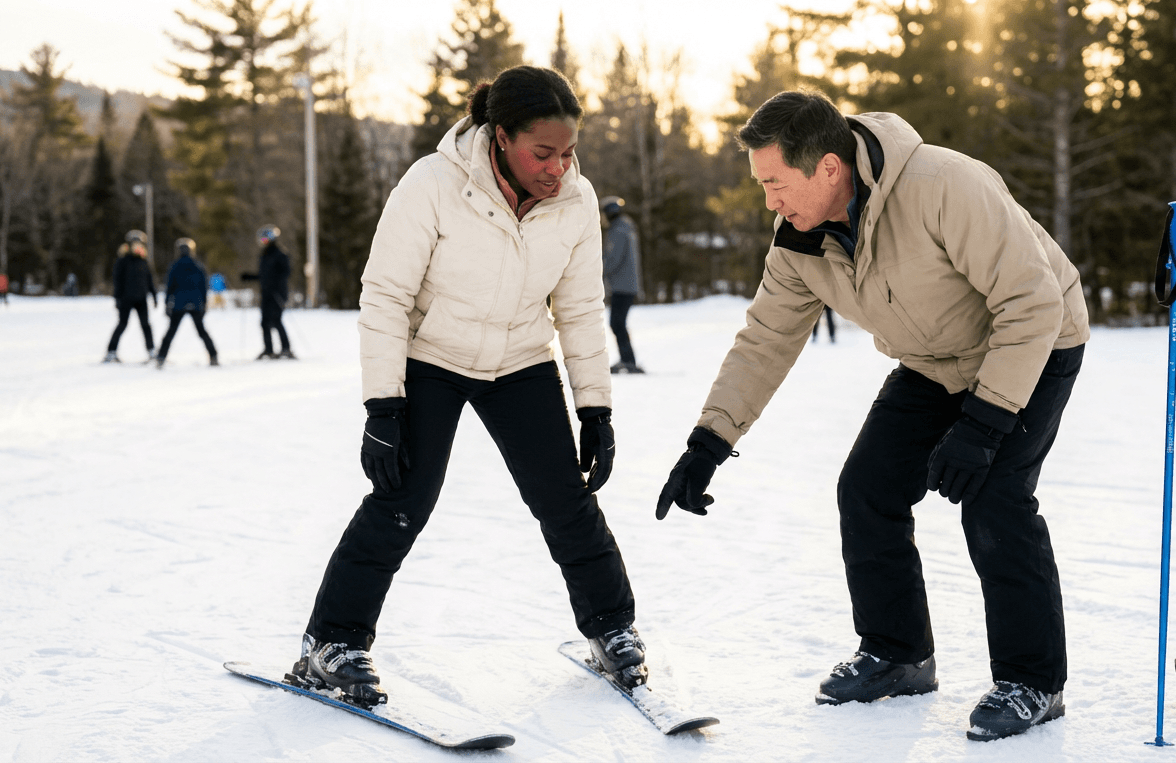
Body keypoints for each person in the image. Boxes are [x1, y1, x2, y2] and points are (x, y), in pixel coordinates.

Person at [655, 91, 1090, 742]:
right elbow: (766, 340)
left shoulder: (944, 185)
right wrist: (709, 441)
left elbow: (1031, 303)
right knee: (867, 488)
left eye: (775, 183)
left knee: (996, 496)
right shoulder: (799, 243)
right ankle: (898, 653)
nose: (769, 200)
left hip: (1034, 341)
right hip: (934, 361)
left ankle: (1033, 680)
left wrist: (982, 426)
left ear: (829, 168)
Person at [288, 65, 641, 708]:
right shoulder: (434, 183)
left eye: (568, 153)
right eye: (543, 153)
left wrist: (595, 408)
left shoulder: (576, 203)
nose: (558, 167)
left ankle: (612, 629)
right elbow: (386, 295)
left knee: (566, 501)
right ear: (501, 137)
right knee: (402, 500)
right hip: (432, 356)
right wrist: (383, 405)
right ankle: (329, 644)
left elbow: (582, 309)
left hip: (520, 359)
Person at [155, 238, 219, 368]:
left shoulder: (175, 266)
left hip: (179, 304)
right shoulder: (198, 266)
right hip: (196, 304)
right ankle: (213, 356)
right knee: (202, 331)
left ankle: (161, 357)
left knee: (171, 332)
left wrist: (168, 304)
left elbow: (169, 287)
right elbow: (204, 287)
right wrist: (204, 304)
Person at [599, 195, 644, 373]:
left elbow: (613, 260)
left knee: (617, 323)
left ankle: (628, 361)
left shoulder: (618, 231)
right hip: (626, 285)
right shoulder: (626, 227)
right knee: (618, 323)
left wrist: (596, 268)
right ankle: (628, 360)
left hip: (622, 285)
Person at [104, 231, 158, 363]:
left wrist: (154, 295)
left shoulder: (144, 262)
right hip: (126, 299)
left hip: (141, 299)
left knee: (145, 325)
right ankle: (111, 352)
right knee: (122, 324)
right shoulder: (122, 261)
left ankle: (151, 351)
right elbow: (117, 281)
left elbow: (149, 280)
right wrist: (117, 298)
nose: (136, 246)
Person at [242, 225, 294, 359]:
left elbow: (285, 273)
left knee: (276, 320)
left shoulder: (280, 254)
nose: (262, 241)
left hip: (277, 293)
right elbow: (264, 275)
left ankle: (286, 349)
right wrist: (250, 277)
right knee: (264, 322)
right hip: (266, 293)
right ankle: (268, 349)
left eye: (265, 238)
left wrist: (274, 284)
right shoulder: (264, 255)